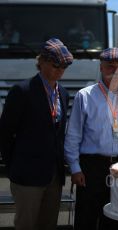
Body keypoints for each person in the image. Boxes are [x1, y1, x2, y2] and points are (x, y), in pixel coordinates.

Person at [0, 38, 73, 230]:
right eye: (56, 64)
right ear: (41, 61)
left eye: (65, 65)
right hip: (27, 176)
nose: (60, 69)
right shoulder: (22, 91)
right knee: (26, 225)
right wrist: (14, 167)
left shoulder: (63, 93)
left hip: (54, 177)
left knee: (48, 225)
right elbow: (5, 133)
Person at [64, 48, 118, 230]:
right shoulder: (85, 95)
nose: (113, 70)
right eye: (108, 66)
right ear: (101, 67)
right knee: (86, 219)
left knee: (113, 220)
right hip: (91, 168)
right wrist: (75, 168)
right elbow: (73, 135)